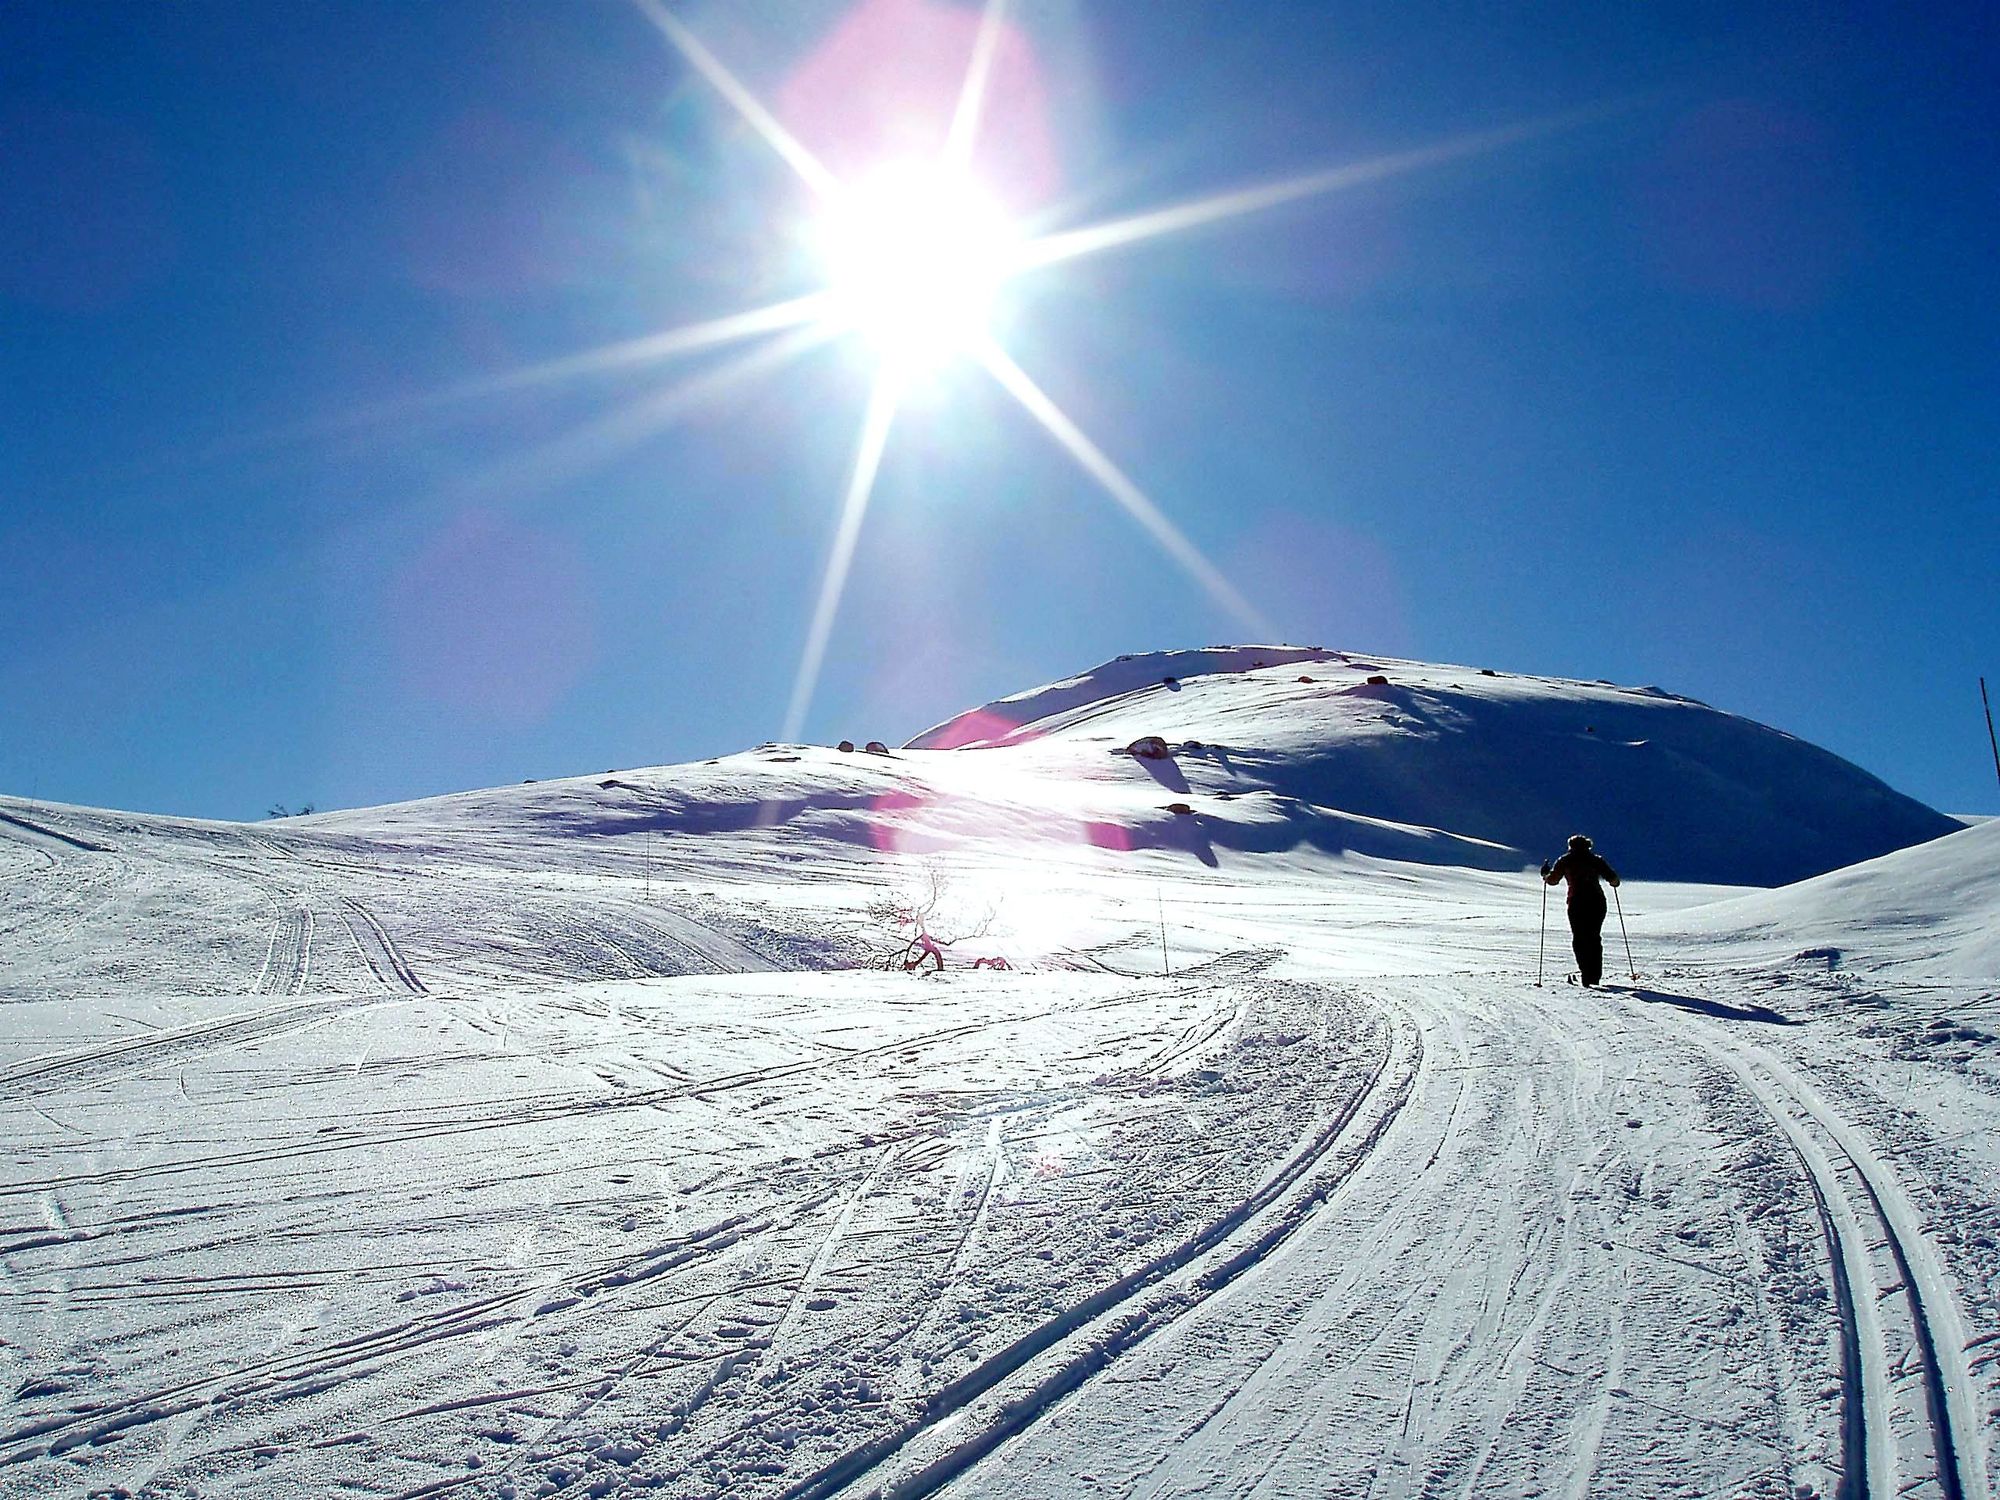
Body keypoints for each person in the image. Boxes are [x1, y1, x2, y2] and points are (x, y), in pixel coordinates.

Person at [1542, 834, 1620, 986]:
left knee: (1579, 938)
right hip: (1597, 901)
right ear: (1588, 846)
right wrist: (1613, 881)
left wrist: (1545, 874)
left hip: (1577, 901)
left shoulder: (1565, 860)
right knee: (1594, 937)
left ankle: (1586, 972)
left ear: (1570, 846)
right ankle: (1594, 975)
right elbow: (1614, 880)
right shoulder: (1596, 860)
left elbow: (1552, 880)